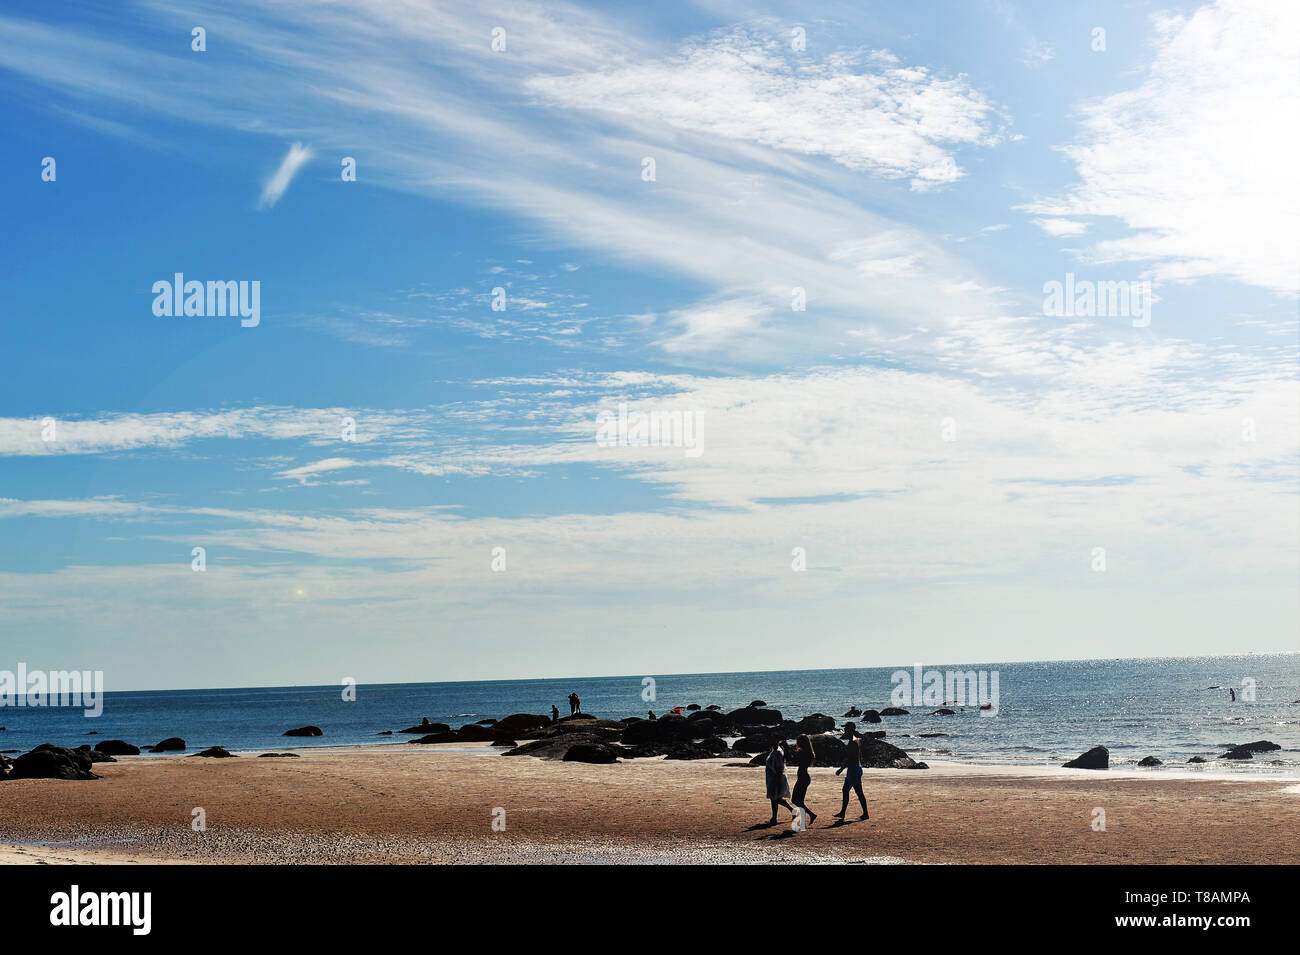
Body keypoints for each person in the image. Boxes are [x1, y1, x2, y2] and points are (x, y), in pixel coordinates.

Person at [834, 734, 869, 820]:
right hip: (855, 768)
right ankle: (844, 812)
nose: (845, 731)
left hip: (853, 769)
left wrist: (841, 769)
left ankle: (865, 813)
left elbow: (850, 758)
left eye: (846, 729)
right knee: (850, 790)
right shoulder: (856, 740)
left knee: (856, 791)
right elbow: (858, 756)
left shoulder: (852, 742)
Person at [764, 739, 795, 825]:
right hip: (773, 778)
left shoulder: (777, 752)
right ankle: (777, 817)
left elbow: (779, 768)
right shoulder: (775, 751)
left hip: (776, 778)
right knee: (776, 799)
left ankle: (774, 818)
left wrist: (777, 781)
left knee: (775, 799)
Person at [792, 734, 818, 826]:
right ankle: (808, 817)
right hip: (804, 777)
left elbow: (795, 759)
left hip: (803, 778)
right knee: (798, 800)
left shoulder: (803, 753)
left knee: (795, 800)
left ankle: (810, 816)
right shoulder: (809, 753)